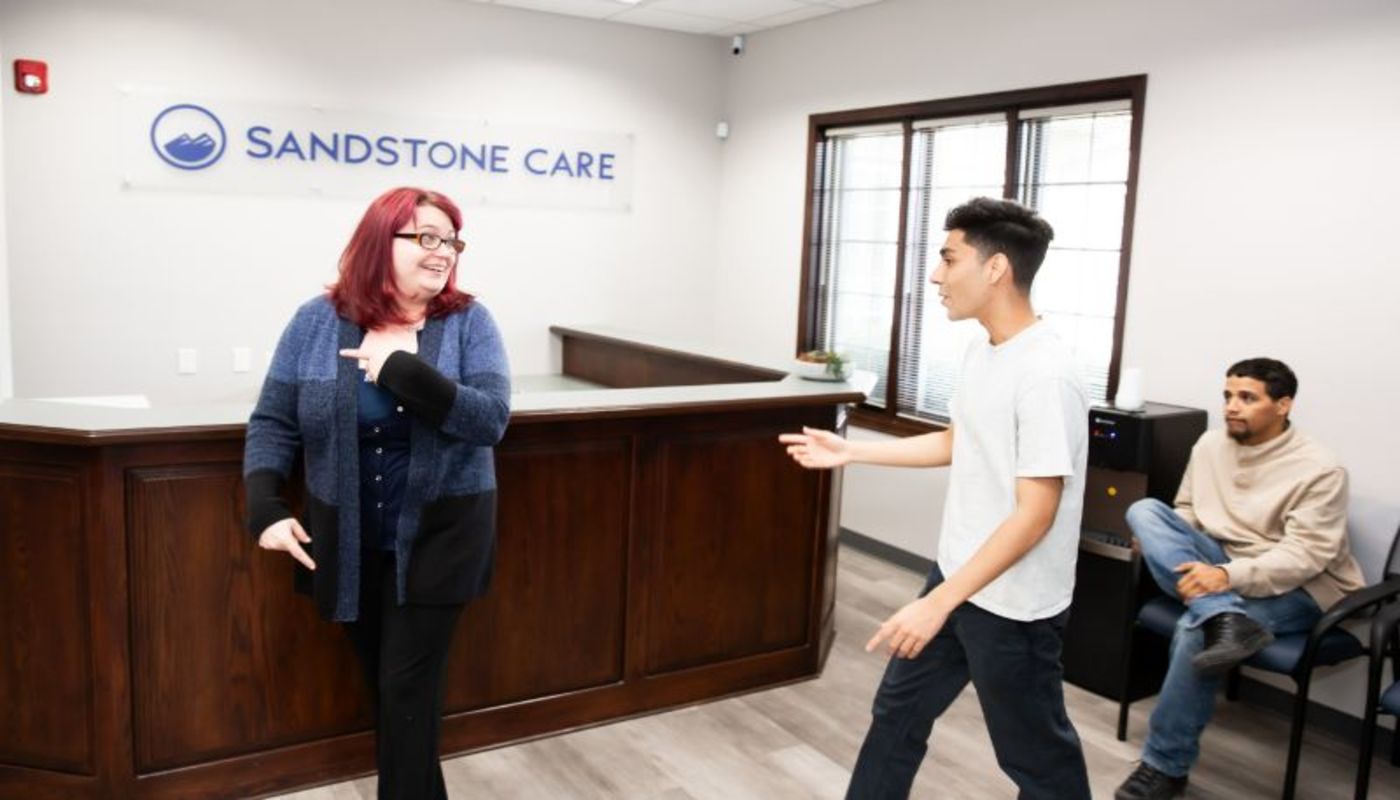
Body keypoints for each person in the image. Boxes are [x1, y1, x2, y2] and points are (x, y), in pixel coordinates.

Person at [782, 197, 1091, 799]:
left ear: (996, 268)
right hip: (957, 575)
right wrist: (852, 452)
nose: (934, 275)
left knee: (1038, 764)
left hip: (1013, 607)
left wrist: (937, 604)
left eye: (949, 259)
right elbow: (958, 441)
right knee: (897, 715)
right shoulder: (984, 349)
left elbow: (1036, 515)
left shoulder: (1047, 374)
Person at [243, 186, 511, 800]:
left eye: (451, 240)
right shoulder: (316, 321)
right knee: (392, 696)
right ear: (377, 242)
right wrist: (264, 507)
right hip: (349, 543)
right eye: (426, 237)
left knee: (405, 690)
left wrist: (398, 368)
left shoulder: (469, 323)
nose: (443, 251)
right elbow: (274, 420)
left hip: (441, 539)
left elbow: (490, 419)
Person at [1113, 358, 1364, 800]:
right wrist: (1163, 540)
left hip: (1303, 586)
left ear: (1283, 405)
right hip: (1224, 565)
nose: (1231, 406)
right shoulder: (1210, 444)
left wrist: (1224, 575)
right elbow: (1187, 511)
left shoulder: (1321, 468)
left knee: (1197, 631)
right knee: (1144, 511)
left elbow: (1304, 557)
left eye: (1247, 398)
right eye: (1228, 396)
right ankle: (1223, 616)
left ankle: (1164, 767)